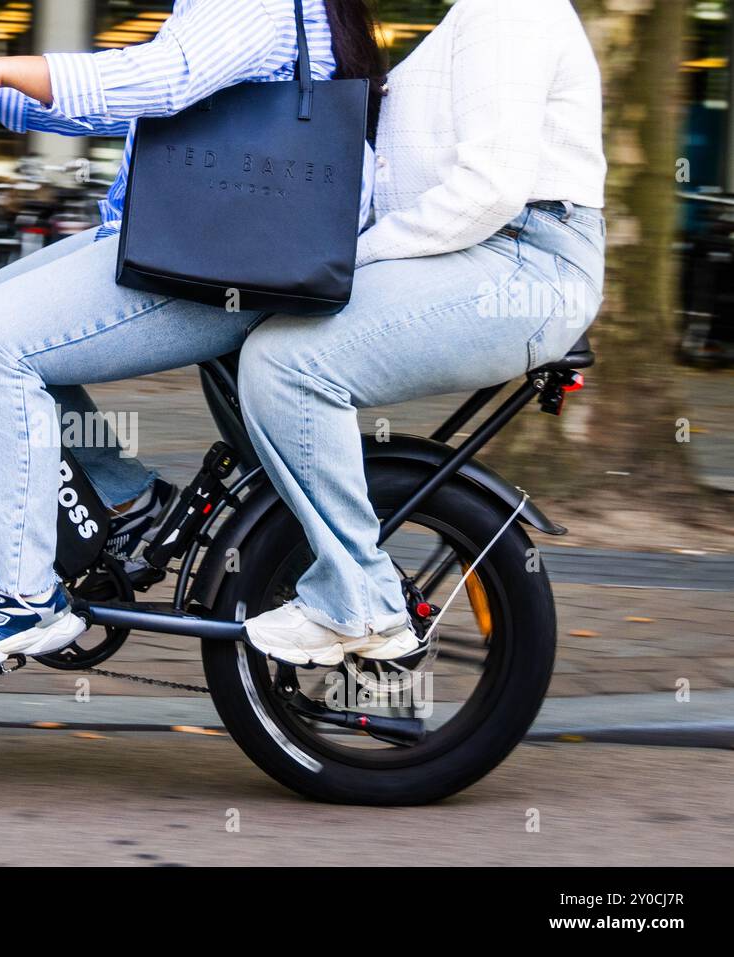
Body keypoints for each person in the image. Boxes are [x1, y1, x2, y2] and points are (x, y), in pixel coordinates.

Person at [0, 0, 384, 675]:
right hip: (179, 244)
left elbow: (162, 79)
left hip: (224, 261)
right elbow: (133, 102)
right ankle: (128, 501)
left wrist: (4, 65)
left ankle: (21, 596)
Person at [239, 0, 607, 665]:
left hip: (522, 260)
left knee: (287, 363)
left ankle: (357, 603)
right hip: (495, 252)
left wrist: (357, 257)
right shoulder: (469, 18)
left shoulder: (509, 11)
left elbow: (489, 189)